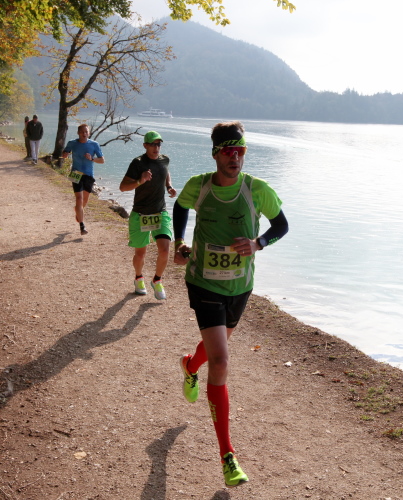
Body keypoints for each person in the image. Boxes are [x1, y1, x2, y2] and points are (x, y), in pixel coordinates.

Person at [172, 121, 289, 487]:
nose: (234, 157)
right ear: (216, 154)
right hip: (203, 282)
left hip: (240, 286)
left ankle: (190, 365)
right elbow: (180, 206)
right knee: (221, 361)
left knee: (215, 350)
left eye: (240, 151)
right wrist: (179, 242)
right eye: (228, 151)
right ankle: (228, 456)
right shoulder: (199, 186)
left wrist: (258, 243)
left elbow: (281, 225)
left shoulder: (257, 190)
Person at [118, 131, 177, 300]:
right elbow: (123, 187)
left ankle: (157, 280)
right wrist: (140, 181)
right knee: (140, 254)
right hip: (141, 214)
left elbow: (165, 172)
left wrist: (169, 186)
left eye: (158, 144)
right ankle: (139, 278)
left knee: (165, 250)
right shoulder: (138, 163)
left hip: (160, 212)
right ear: (145, 145)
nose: (156, 147)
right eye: (152, 144)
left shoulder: (165, 160)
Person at [62, 124, 104, 235]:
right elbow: (64, 153)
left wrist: (92, 158)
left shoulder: (94, 144)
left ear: (88, 133)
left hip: (88, 175)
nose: (84, 134)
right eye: (82, 132)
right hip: (75, 173)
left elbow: (102, 160)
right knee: (79, 199)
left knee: (84, 201)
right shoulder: (72, 143)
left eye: (86, 132)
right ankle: (82, 226)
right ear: (78, 133)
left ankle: (78, 211)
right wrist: (65, 154)